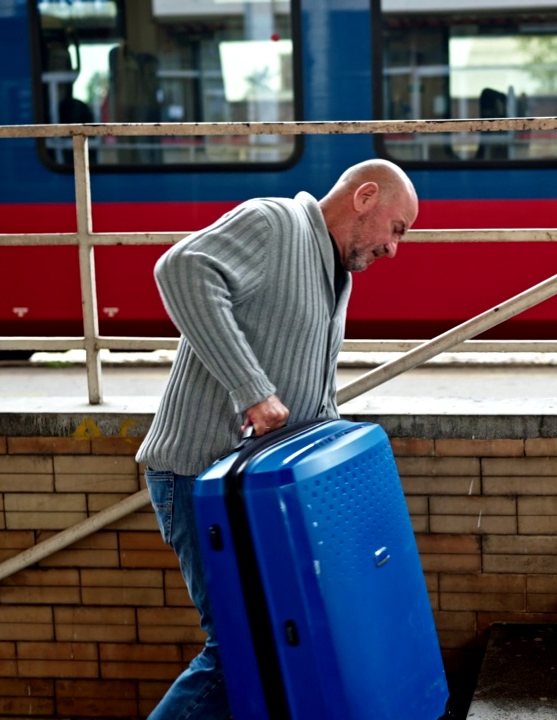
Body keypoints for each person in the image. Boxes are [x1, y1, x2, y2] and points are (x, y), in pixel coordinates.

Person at [135, 159, 418, 719]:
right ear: (365, 198)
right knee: (240, 651)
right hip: (199, 477)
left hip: (256, 491)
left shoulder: (336, 271)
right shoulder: (276, 222)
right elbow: (180, 269)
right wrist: (252, 389)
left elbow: (312, 390)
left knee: (276, 645)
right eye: (398, 227)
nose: (394, 248)